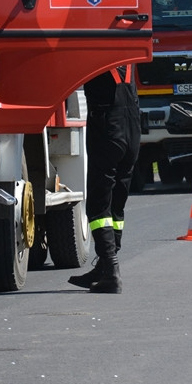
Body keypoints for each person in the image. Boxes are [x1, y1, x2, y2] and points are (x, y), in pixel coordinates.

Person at [68, 63, 141, 293]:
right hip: (132, 132)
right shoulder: (127, 59)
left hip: (109, 130)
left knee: (99, 207)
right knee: (116, 206)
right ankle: (105, 266)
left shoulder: (97, 58)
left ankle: (110, 269)